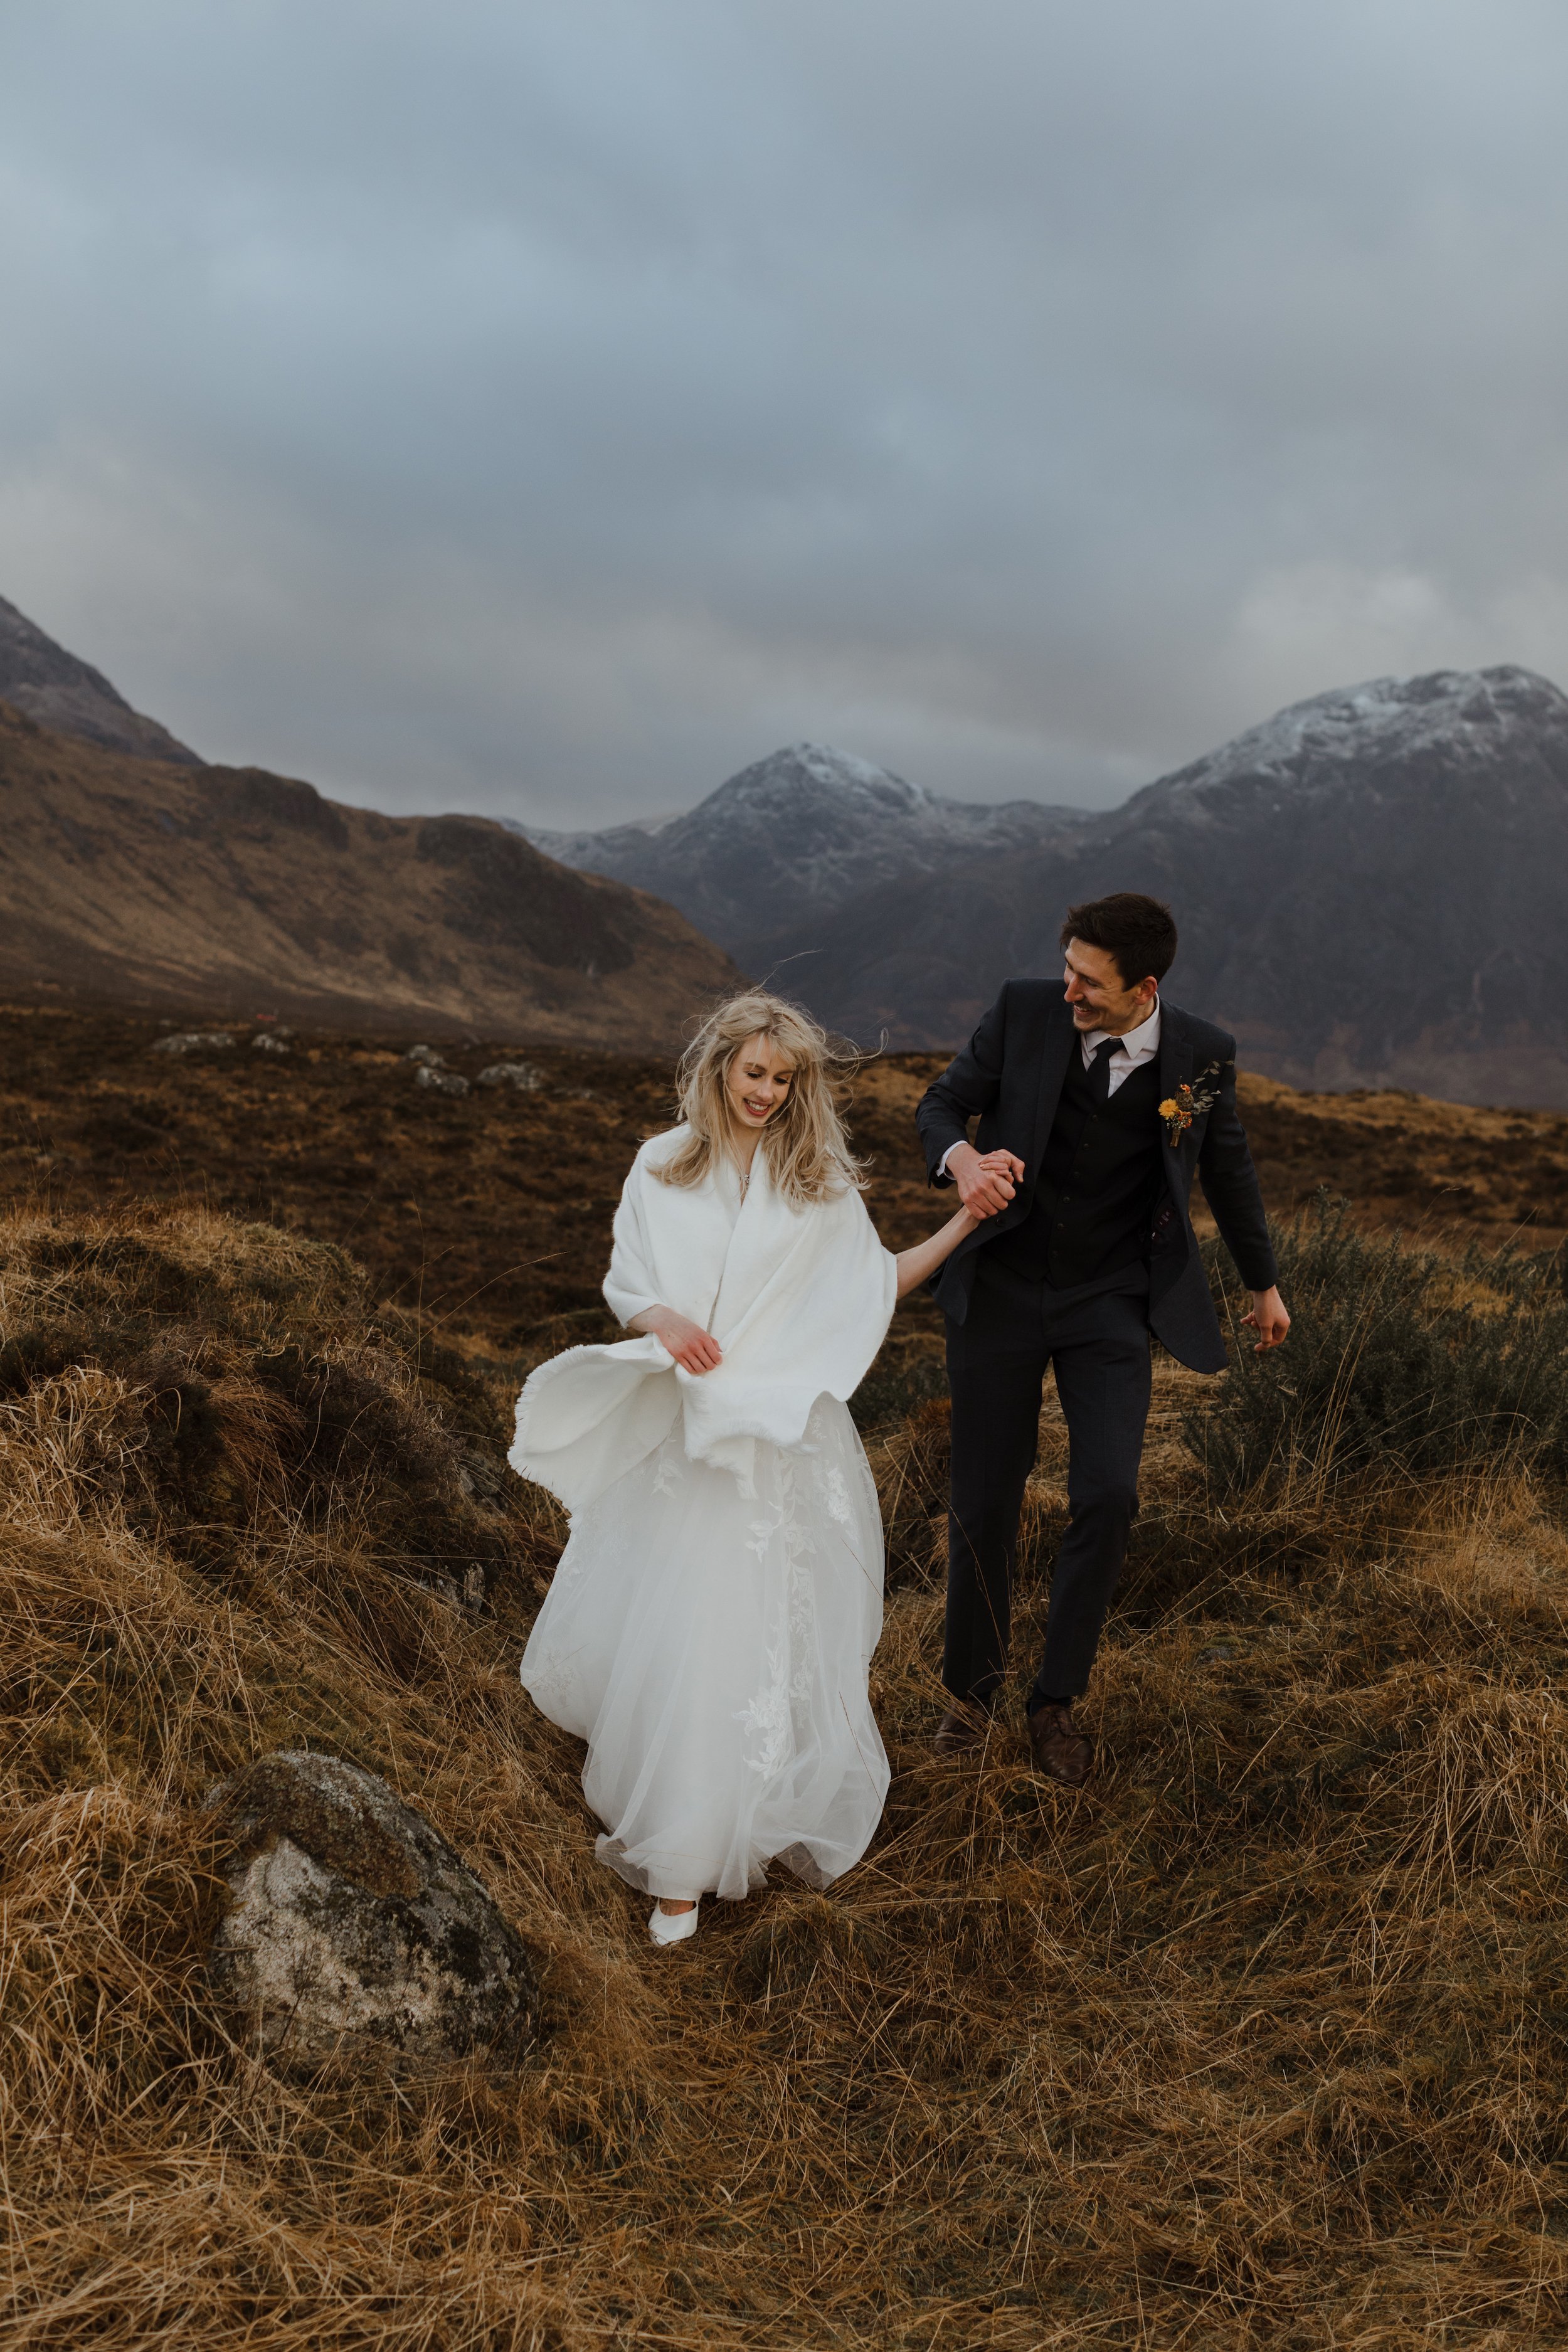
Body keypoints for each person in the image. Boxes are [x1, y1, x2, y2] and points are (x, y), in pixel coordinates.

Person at [512, 990, 975, 1946]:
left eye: (785, 1077)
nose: (767, 1091)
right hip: (685, 1438)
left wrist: (964, 1222)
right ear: (719, 1065)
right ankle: (676, 1849)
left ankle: (708, 1851)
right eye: (754, 1072)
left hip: (779, 1446)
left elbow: (871, 1282)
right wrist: (661, 1321)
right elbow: (628, 1280)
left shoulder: (817, 1185)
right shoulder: (661, 1164)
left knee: (754, 1637)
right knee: (680, 1629)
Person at [914, 892, 1290, 1785]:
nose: (1069, 989)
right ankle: (970, 1699)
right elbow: (942, 1103)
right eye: (1068, 966)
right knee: (985, 1503)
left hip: (1110, 1300)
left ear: (1144, 987)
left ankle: (1055, 1702)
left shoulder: (1202, 1058)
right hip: (1002, 1288)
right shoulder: (1024, 1010)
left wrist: (1263, 1282)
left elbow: (1226, 1170)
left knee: (1112, 1492)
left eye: (1089, 979)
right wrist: (962, 1160)